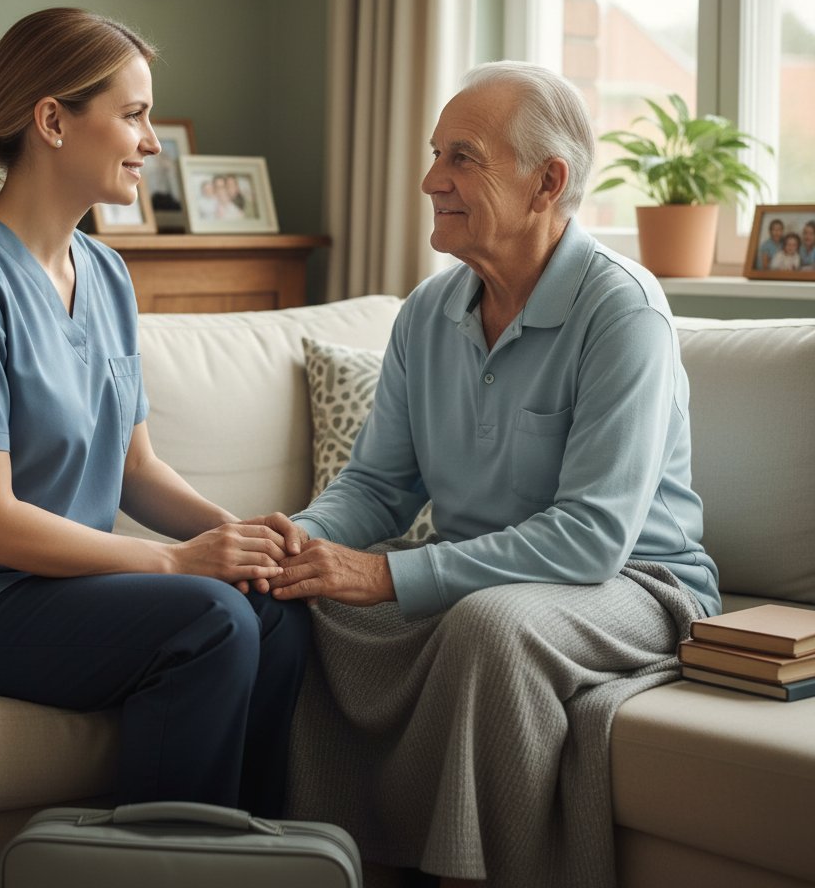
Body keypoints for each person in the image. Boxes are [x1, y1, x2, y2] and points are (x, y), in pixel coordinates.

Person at [0, 7, 311, 818]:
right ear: (53, 120)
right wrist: (176, 563)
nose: (153, 141)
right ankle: (168, 872)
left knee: (269, 606)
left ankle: (249, 852)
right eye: (133, 115)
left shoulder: (105, 271)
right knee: (209, 619)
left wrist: (241, 538)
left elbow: (136, 468)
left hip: (47, 585)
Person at [263, 62, 720, 888]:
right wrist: (297, 541)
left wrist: (387, 573)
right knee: (307, 607)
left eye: (462, 158)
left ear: (548, 182)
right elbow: (377, 487)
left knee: (486, 626)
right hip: (488, 579)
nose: (431, 179)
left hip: (640, 582)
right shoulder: (426, 315)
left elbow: (590, 539)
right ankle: (338, 863)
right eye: (437, 154)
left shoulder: (623, 312)